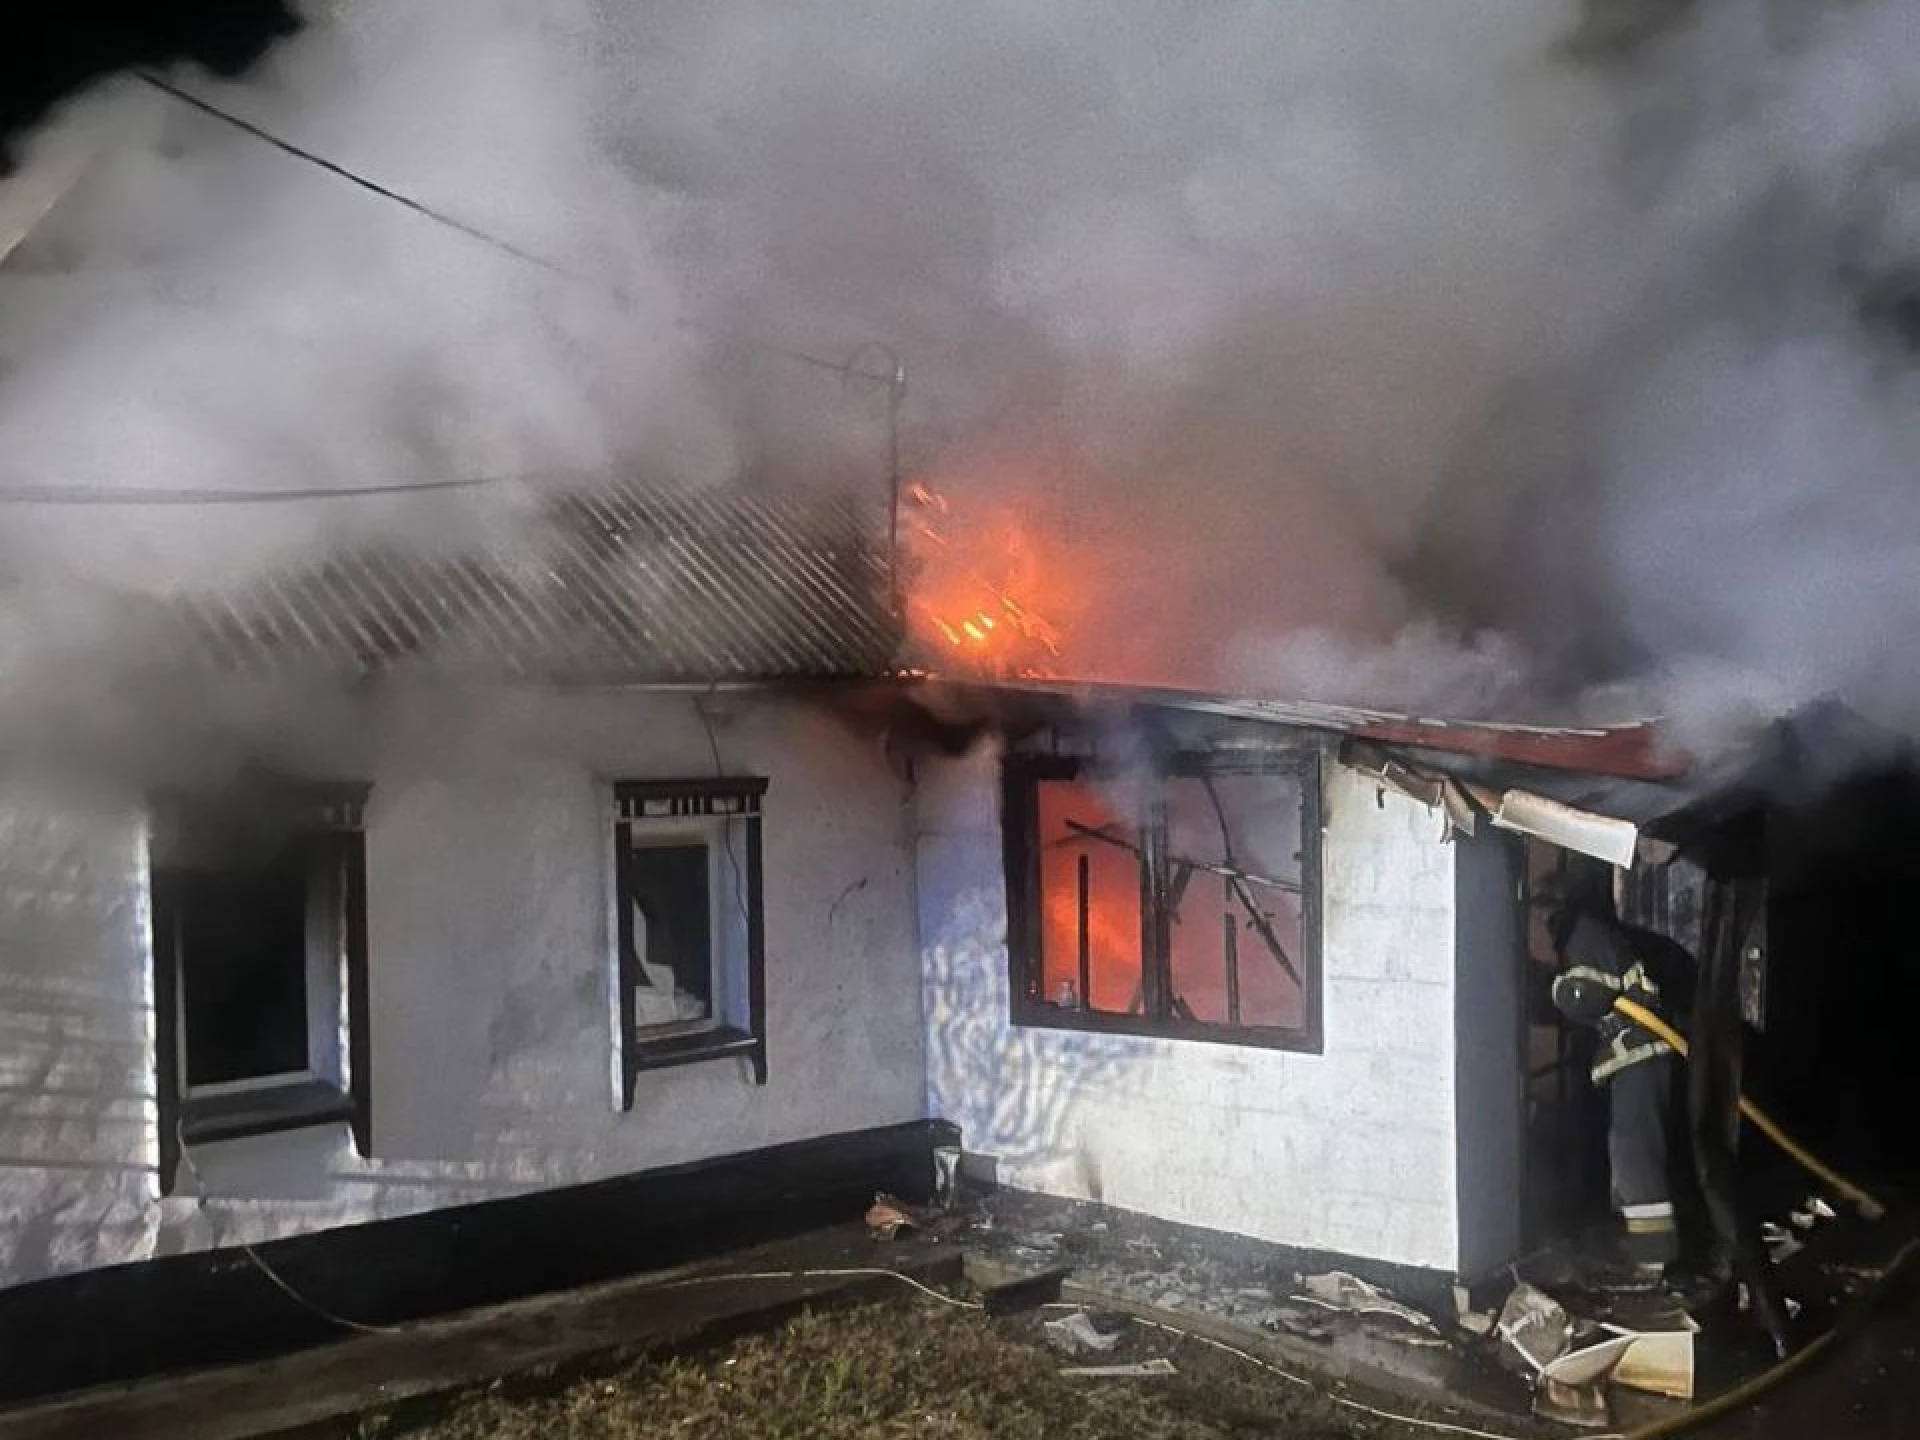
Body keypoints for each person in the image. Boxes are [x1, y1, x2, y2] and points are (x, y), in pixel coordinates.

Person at [1548, 903, 1682, 1290]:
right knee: (1627, 1151)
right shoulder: (1588, 935)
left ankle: (1653, 1258)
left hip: (1641, 1054)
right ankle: (1642, 1245)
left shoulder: (1582, 934)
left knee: (1635, 1152)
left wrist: (1555, 987)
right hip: (1634, 1058)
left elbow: (1587, 993)